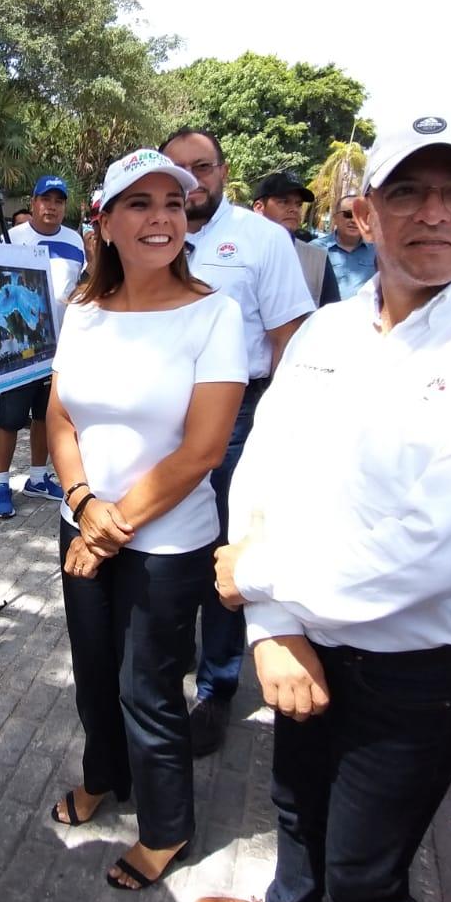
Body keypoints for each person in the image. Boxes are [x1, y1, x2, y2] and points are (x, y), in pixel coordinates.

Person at [194, 117, 451, 902]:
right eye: (407, 190)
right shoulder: (326, 331)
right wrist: (276, 629)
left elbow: (431, 551)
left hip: (421, 675)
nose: (430, 213)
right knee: (296, 804)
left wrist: (259, 584)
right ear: (367, 211)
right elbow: (264, 465)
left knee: (367, 880)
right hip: (305, 641)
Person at [46, 149, 247, 889]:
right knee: (92, 677)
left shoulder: (214, 313)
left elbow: (202, 450)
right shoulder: (86, 310)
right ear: (105, 222)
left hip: (165, 544)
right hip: (83, 523)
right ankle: (104, 777)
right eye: (139, 202)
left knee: (149, 690)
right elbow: (60, 416)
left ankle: (166, 830)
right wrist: (80, 508)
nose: (160, 216)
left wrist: (111, 526)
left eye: (173, 202)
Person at [159, 129, 314, 755]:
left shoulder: (263, 240)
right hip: (160, 415)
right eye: (177, 172)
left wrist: (281, 434)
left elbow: (289, 340)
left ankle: (218, 687)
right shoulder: (151, 233)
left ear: (223, 172)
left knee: (226, 555)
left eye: (202, 168)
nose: (191, 181)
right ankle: (164, 670)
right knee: (167, 546)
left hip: (237, 419)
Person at [0, 174, 84, 518]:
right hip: (17, 352)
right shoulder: (10, 239)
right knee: (8, 420)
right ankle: (1, 483)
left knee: (45, 418)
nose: (52, 207)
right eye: (46, 200)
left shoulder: (75, 242)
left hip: (59, 353)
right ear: (33, 203)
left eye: (59, 201)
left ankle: (37, 477)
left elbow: (83, 288)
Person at [251, 171, 340, 307]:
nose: (294, 209)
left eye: (298, 204)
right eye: (283, 202)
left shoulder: (317, 259)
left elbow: (331, 316)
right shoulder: (237, 252)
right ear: (259, 208)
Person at [311, 193, 377, 298]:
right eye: (348, 214)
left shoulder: (378, 251)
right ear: (335, 218)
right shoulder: (315, 249)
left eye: (360, 216)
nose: (354, 220)